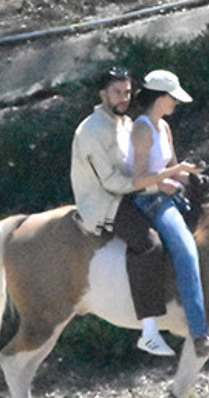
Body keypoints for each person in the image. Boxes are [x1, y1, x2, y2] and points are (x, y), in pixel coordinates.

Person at [70, 66, 178, 357]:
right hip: (105, 203)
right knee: (149, 245)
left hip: (133, 193)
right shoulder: (91, 131)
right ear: (102, 94)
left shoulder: (127, 123)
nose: (123, 98)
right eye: (117, 92)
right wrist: (157, 185)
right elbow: (111, 182)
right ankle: (150, 330)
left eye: (128, 92)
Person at [127, 69, 209, 358]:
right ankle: (199, 333)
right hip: (150, 202)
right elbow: (139, 179)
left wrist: (191, 177)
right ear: (160, 97)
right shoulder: (141, 129)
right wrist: (174, 175)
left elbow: (173, 168)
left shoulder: (163, 127)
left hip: (169, 196)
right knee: (186, 251)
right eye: (173, 99)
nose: (176, 104)